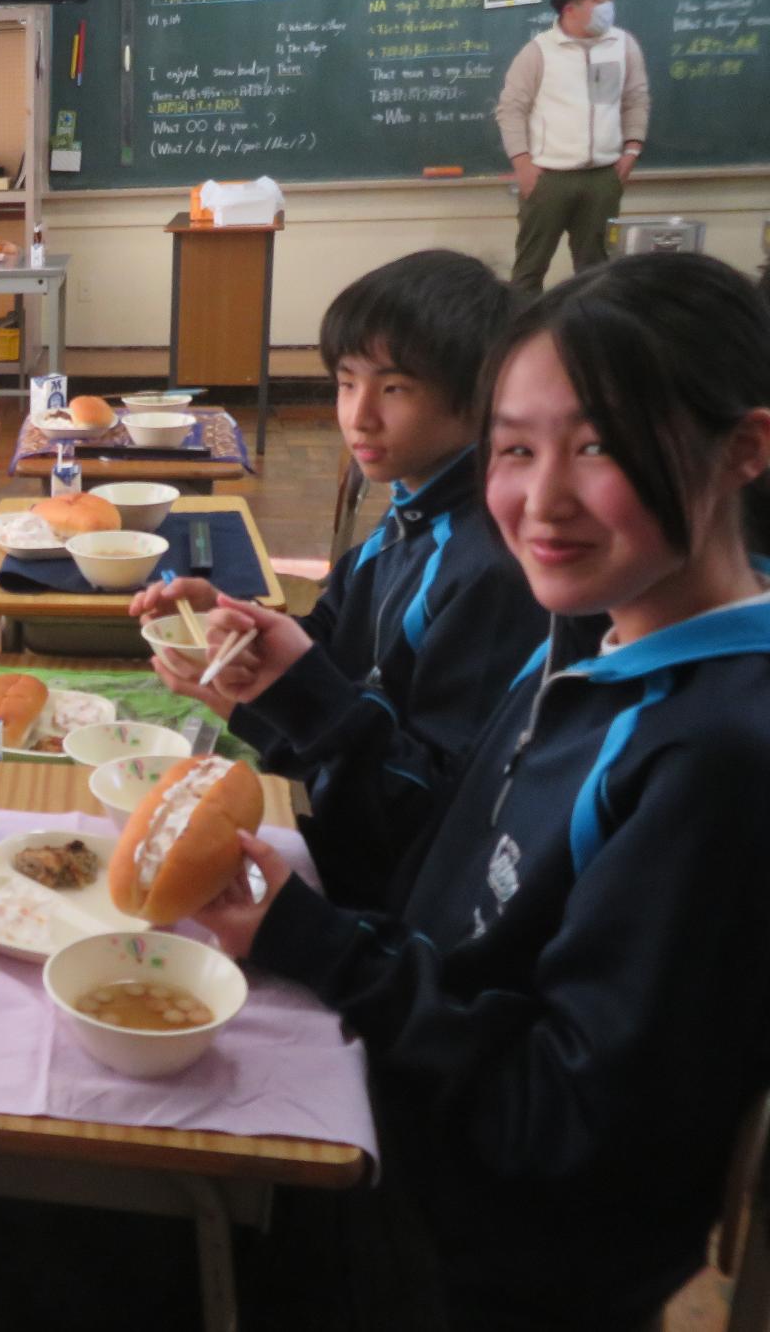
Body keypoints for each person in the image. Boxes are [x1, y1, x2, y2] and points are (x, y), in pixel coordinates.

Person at [199, 253, 770, 1331]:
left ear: (743, 449)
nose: (539, 501)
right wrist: (316, 930)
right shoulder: (586, 634)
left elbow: (563, 1127)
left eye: (597, 445)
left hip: (461, 1248)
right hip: (392, 1102)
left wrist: (322, 950)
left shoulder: (715, 757)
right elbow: (445, 875)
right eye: (514, 449)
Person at [131, 250, 550, 909]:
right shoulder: (414, 507)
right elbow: (331, 635)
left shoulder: (491, 567)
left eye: (395, 388)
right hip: (334, 823)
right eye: (347, 383)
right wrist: (231, 619)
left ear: (480, 398)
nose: (359, 416)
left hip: (379, 900)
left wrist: (278, 697)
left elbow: (430, 805)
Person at [496, 0, 650, 299]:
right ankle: (520, 328)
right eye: (599, 1)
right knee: (529, 269)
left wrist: (632, 149)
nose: (608, 8)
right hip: (548, 177)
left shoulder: (623, 45)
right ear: (571, 8)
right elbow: (511, 109)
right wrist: (522, 163)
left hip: (603, 176)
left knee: (597, 272)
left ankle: (590, 329)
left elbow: (636, 99)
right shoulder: (539, 51)